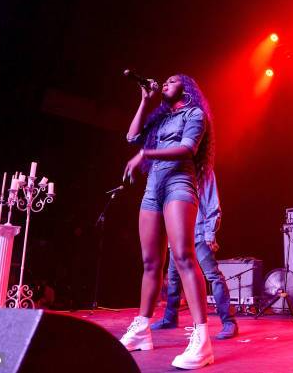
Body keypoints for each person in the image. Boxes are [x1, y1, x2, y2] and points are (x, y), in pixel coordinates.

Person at [119, 74, 215, 370]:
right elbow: (131, 137)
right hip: (153, 189)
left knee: (184, 256)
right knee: (150, 263)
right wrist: (145, 101)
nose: (165, 84)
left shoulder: (194, 113)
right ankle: (142, 328)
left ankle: (202, 339)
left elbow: (187, 148)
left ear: (185, 89)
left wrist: (146, 154)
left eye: (171, 81)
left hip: (179, 185)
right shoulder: (160, 118)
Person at [150, 170, 239, 339]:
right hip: (178, 236)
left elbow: (212, 203)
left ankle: (229, 322)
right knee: (173, 278)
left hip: (198, 234)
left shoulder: (203, 171)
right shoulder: (175, 171)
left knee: (213, 276)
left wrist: (210, 233)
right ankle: (170, 318)